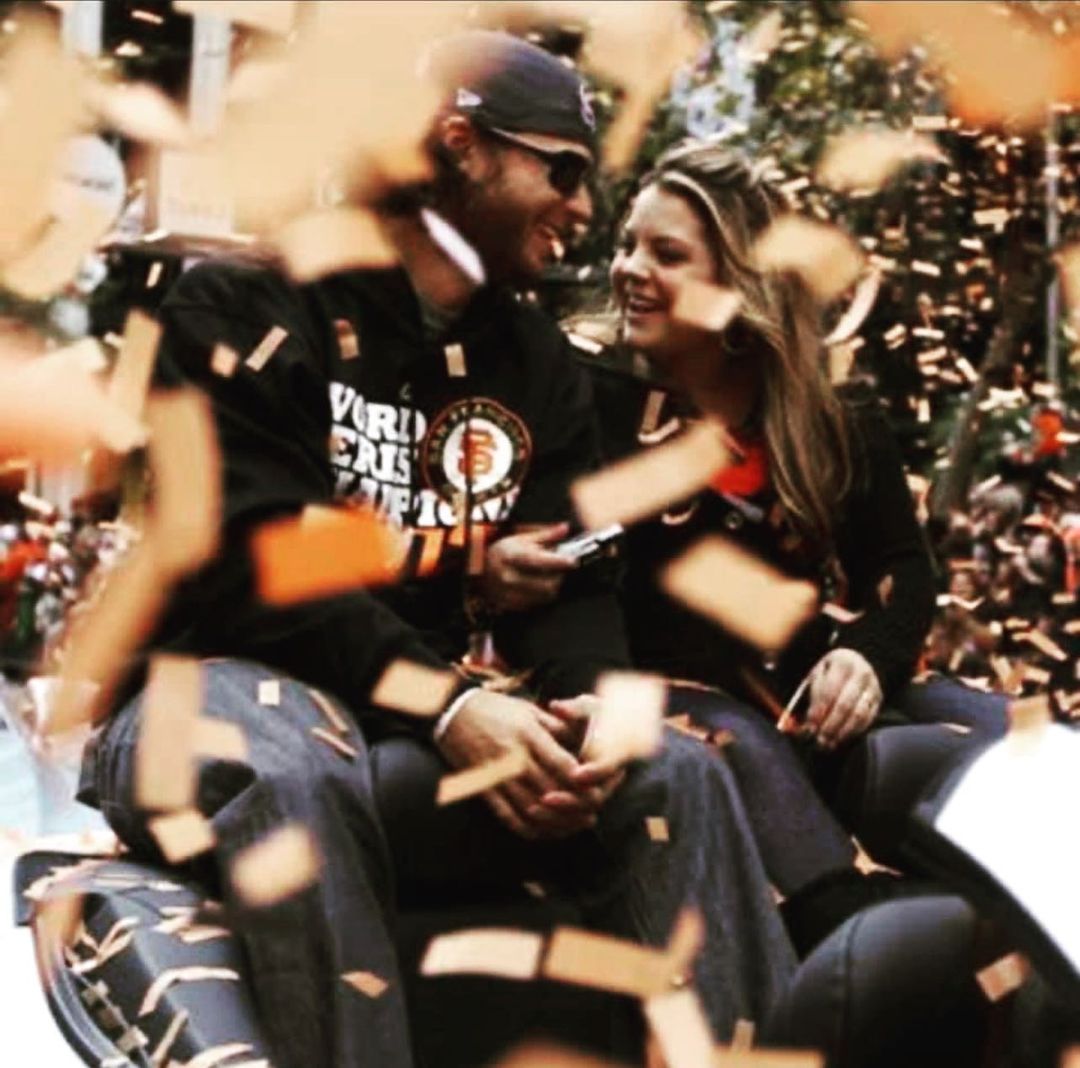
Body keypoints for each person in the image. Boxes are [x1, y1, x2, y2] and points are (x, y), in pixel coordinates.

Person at [78, 37, 796, 1068]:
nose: (584, 208)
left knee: (669, 766)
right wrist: (448, 705)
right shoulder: (238, 305)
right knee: (295, 772)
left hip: (406, 710)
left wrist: (591, 703)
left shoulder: (538, 362)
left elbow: (573, 577)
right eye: (563, 171)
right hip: (204, 689)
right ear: (461, 145)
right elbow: (256, 566)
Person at [482, 143, 1010, 954]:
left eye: (666, 254)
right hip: (649, 686)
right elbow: (550, 582)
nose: (627, 270)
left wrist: (867, 657)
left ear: (739, 284)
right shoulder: (584, 393)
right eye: (627, 245)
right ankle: (865, 959)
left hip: (807, 682)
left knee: (1002, 727)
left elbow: (905, 569)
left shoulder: (833, 412)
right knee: (744, 740)